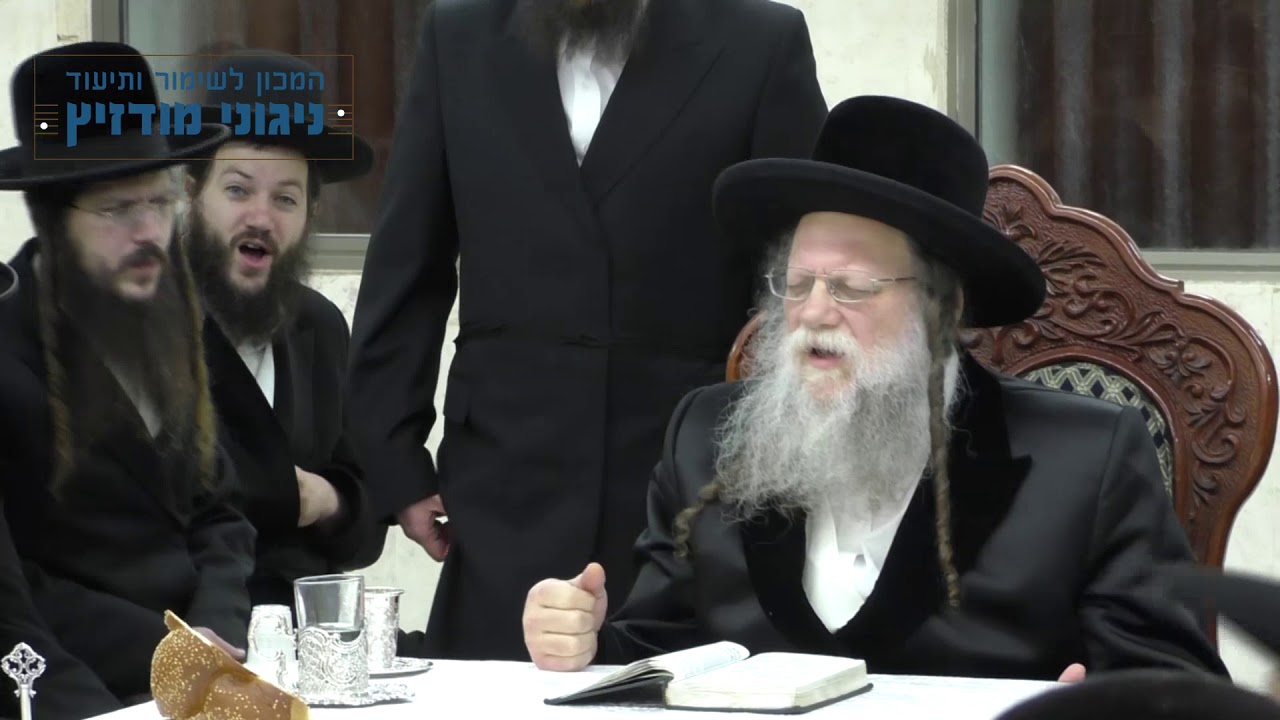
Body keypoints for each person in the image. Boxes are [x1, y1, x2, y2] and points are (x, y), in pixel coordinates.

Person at [521, 96, 1228, 681]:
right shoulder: (705, 438)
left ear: (943, 309)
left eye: (852, 287)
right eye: (798, 284)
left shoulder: (1088, 458)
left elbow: (1177, 687)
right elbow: (658, 651)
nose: (814, 313)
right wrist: (584, 639)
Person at [346, 0, 829, 660]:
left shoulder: (759, 42)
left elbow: (793, 272)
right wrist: (397, 464)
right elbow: (408, 263)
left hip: (682, 493)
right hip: (502, 482)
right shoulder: (457, 37)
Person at [0, 42, 253, 704]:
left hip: (206, 671)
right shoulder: (7, 352)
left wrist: (213, 631)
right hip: (74, 688)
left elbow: (219, 513)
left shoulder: (168, 321)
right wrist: (167, 656)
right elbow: (13, 595)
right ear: (52, 218)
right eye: (117, 210)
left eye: (161, 202)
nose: (149, 233)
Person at [184, 49, 377, 610]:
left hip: (311, 632)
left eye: (285, 199)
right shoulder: (149, 324)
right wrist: (280, 495)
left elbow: (367, 521)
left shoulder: (319, 325)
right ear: (193, 192)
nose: (261, 218)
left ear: (311, 213)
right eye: (237, 190)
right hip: (191, 629)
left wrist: (325, 500)